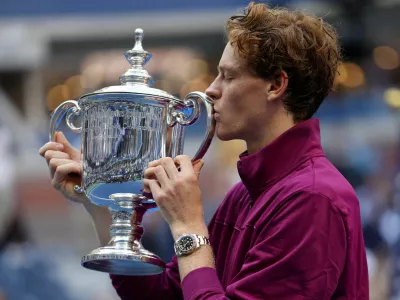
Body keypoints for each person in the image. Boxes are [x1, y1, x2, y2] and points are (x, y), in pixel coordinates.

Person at [39, 2, 369, 299]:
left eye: (228, 76)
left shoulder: (312, 198)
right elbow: (162, 294)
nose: (211, 89)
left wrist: (188, 227)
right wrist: (101, 200)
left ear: (275, 85)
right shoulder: (245, 195)